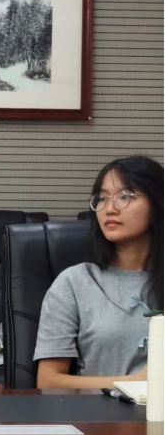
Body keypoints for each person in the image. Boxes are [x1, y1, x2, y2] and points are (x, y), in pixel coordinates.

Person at [35, 156, 164, 388]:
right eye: (102, 199)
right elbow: (48, 381)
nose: (109, 209)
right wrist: (136, 383)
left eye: (125, 196)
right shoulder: (76, 282)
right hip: (101, 409)